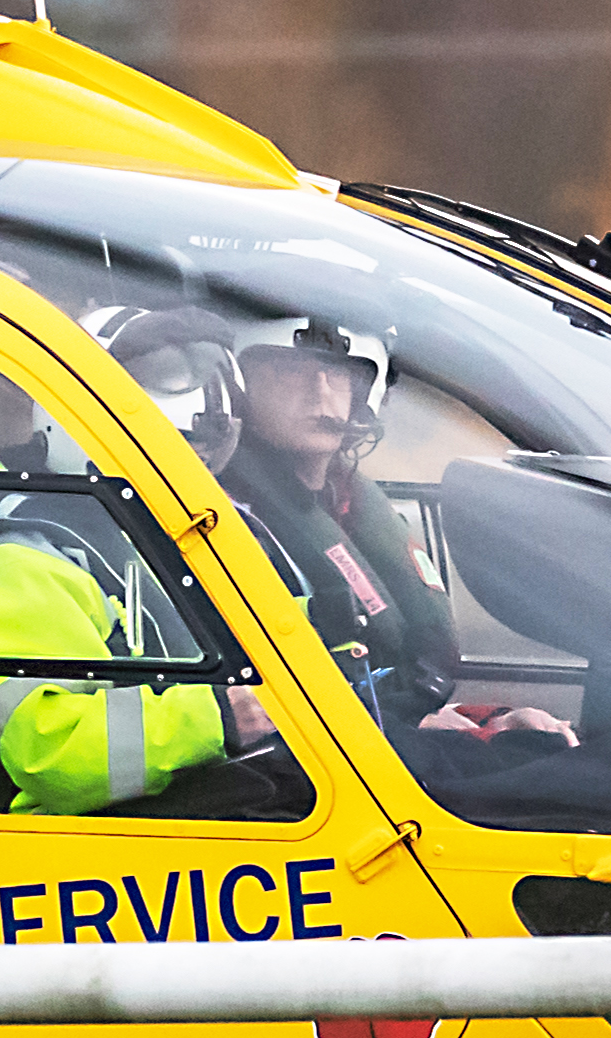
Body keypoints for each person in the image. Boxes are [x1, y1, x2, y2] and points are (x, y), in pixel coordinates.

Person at [0, 318, 280, 814]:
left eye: (204, 456)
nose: (193, 476)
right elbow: (53, 754)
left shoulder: (196, 541)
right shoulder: (17, 564)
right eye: (171, 452)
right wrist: (221, 717)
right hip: (102, 855)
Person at [216, 317, 574, 754]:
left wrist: (487, 719)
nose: (321, 393)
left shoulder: (348, 505)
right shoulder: (227, 520)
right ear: (236, 384)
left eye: (341, 374)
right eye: (290, 371)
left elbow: (386, 692)